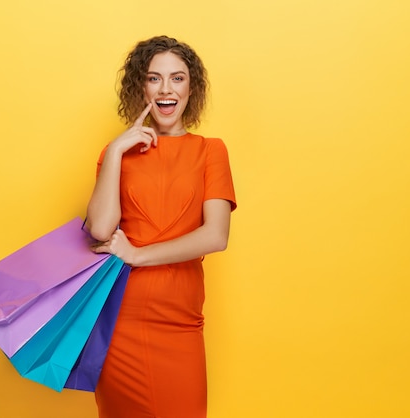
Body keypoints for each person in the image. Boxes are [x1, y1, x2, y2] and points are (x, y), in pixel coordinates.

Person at [85, 35, 237, 418]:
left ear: (192, 88)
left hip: (180, 321)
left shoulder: (210, 150)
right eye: (154, 79)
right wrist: (119, 149)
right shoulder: (115, 151)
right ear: (140, 86)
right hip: (120, 320)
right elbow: (101, 229)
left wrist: (137, 254)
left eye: (177, 78)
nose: (166, 89)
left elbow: (215, 235)